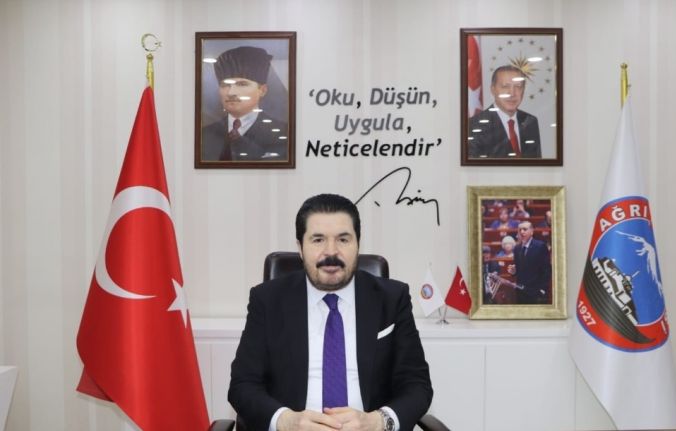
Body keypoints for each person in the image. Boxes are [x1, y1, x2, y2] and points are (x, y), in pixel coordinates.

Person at [229, 194, 433, 431]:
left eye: (343, 239)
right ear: (300, 248)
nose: (331, 252)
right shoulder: (267, 300)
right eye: (318, 240)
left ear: (358, 244)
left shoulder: (392, 299)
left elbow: (417, 385)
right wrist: (286, 421)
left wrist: (378, 421)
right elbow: (242, 385)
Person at [201, 46, 289, 162]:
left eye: (242, 84)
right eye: (225, 85)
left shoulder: (284, 132)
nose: (231, 92)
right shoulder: (205, 134)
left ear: (262, 90)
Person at [468, 65, 541, 158]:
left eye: (518, 86)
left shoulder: (530, 121)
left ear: (523, 90)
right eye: (505, 86)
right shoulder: (474, 125)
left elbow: (536, 164)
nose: (512, 93)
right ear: (493, 90)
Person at [507, 221, 551, 304]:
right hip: (520, 292)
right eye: (520, 230)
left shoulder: (540, 246)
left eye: (525, 229)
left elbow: (546, 270)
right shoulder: (517, 248)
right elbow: (519, 270)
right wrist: (514, 272)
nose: (522, 232)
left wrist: (542, 290)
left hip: (536, 293)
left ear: (531, 232)